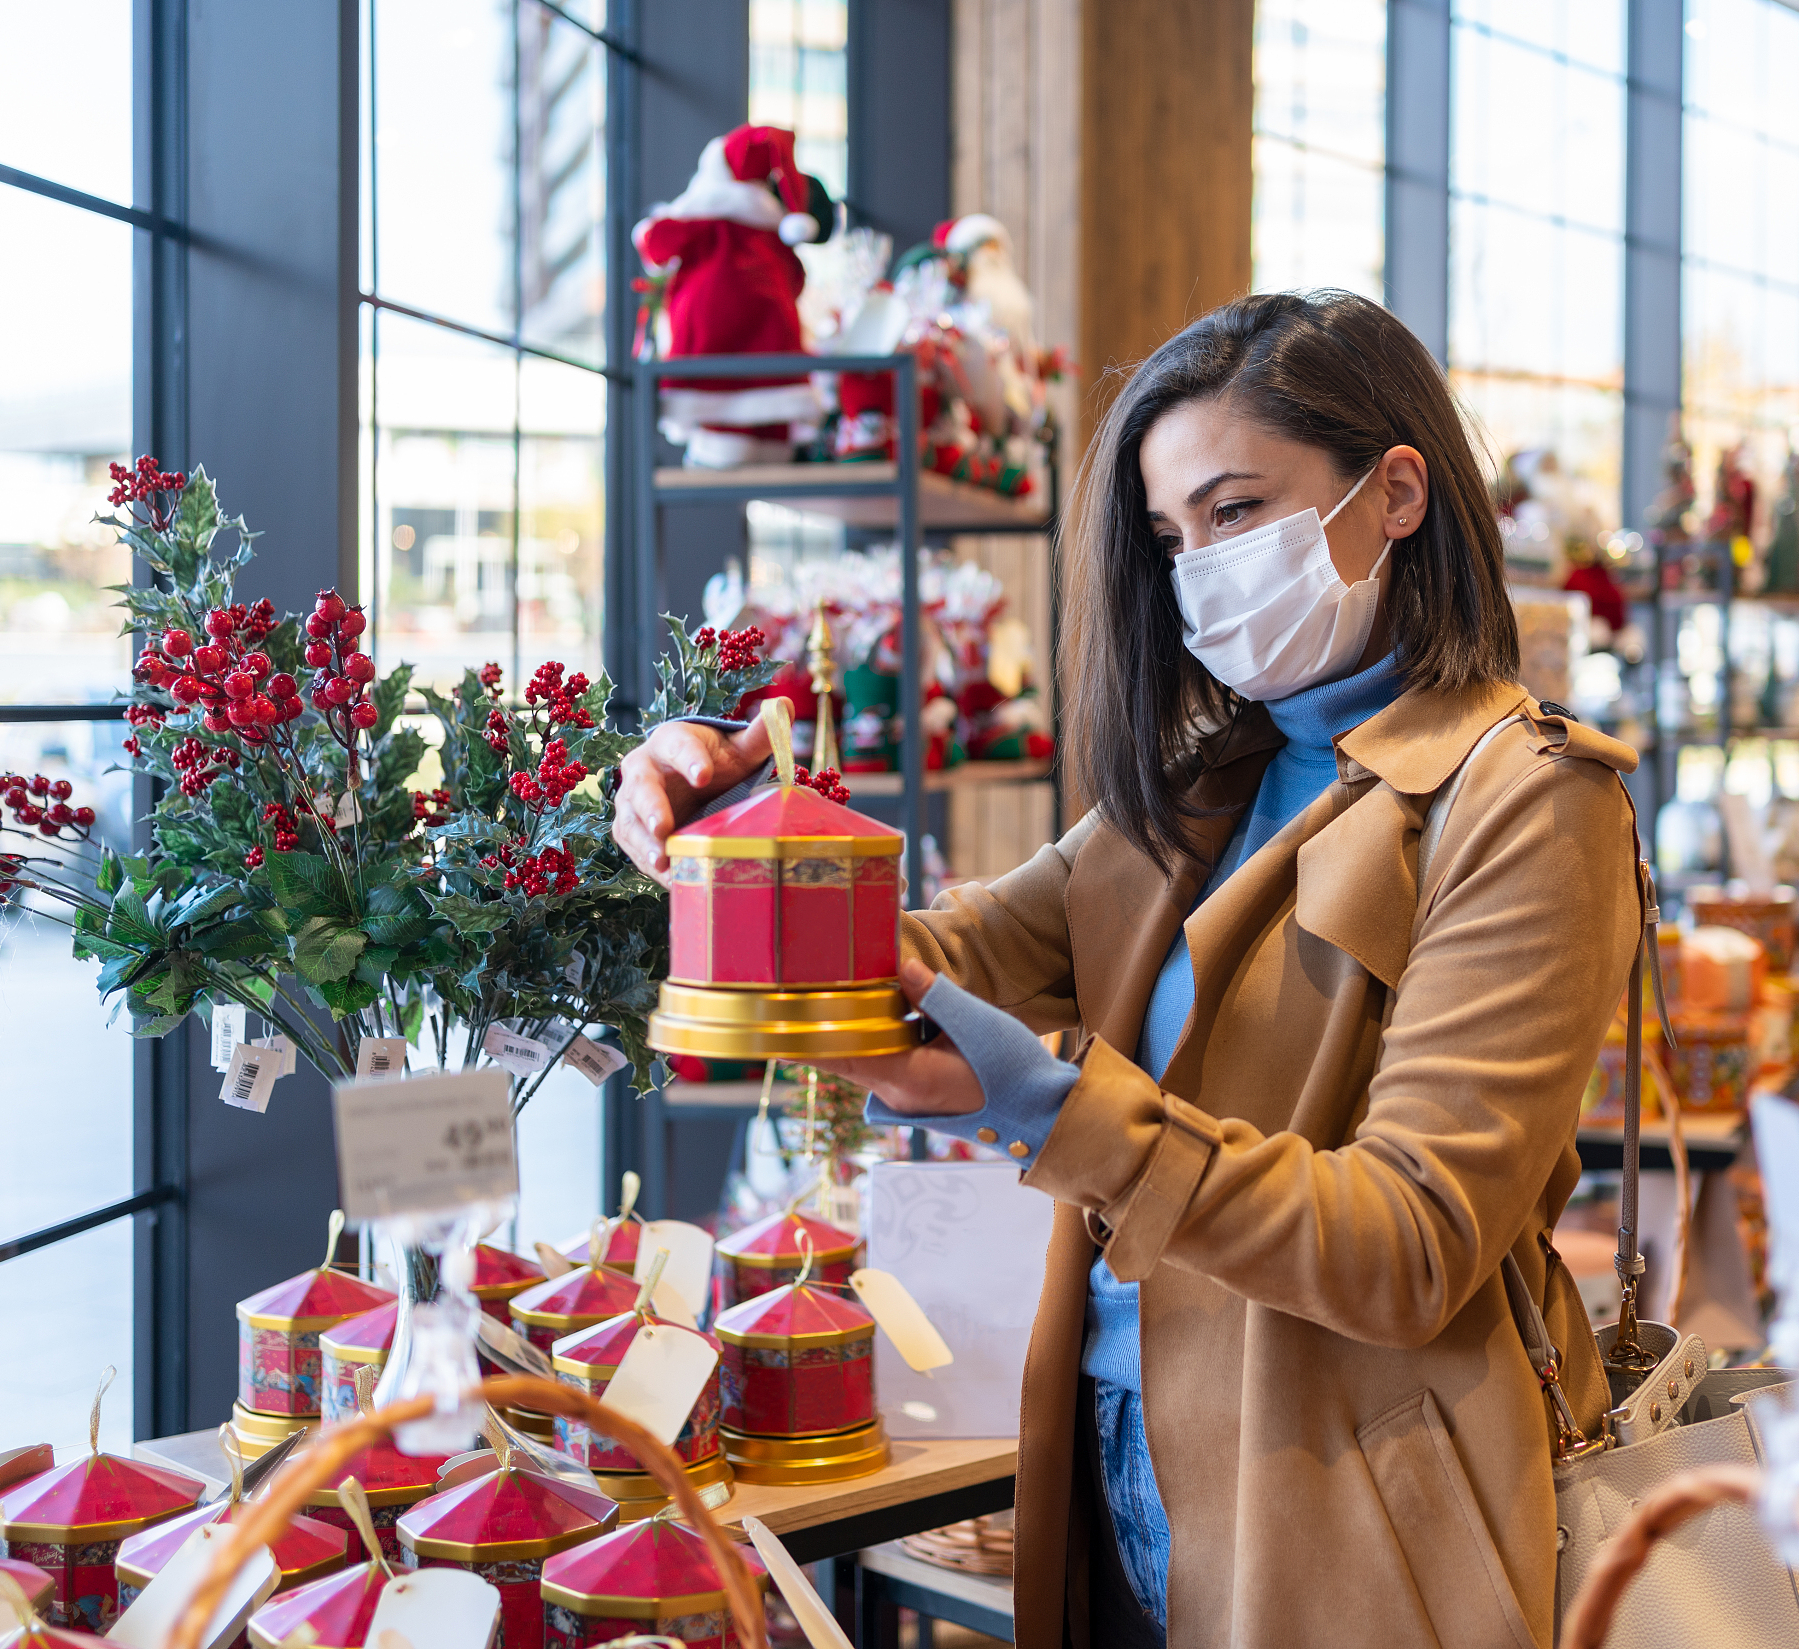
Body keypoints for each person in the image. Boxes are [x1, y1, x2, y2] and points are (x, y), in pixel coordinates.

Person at [614, 291, 1643, 1649]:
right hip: (1114, 1451)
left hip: (1346, 1505)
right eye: (1170, 537)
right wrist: (739, 831)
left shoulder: (1529, 799)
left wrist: (1054, 1105)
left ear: (1396, 492)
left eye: (1235, 511)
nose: (1200, 568)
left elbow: (1411, 1242)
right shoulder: (1202, 787)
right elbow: (938, 957)